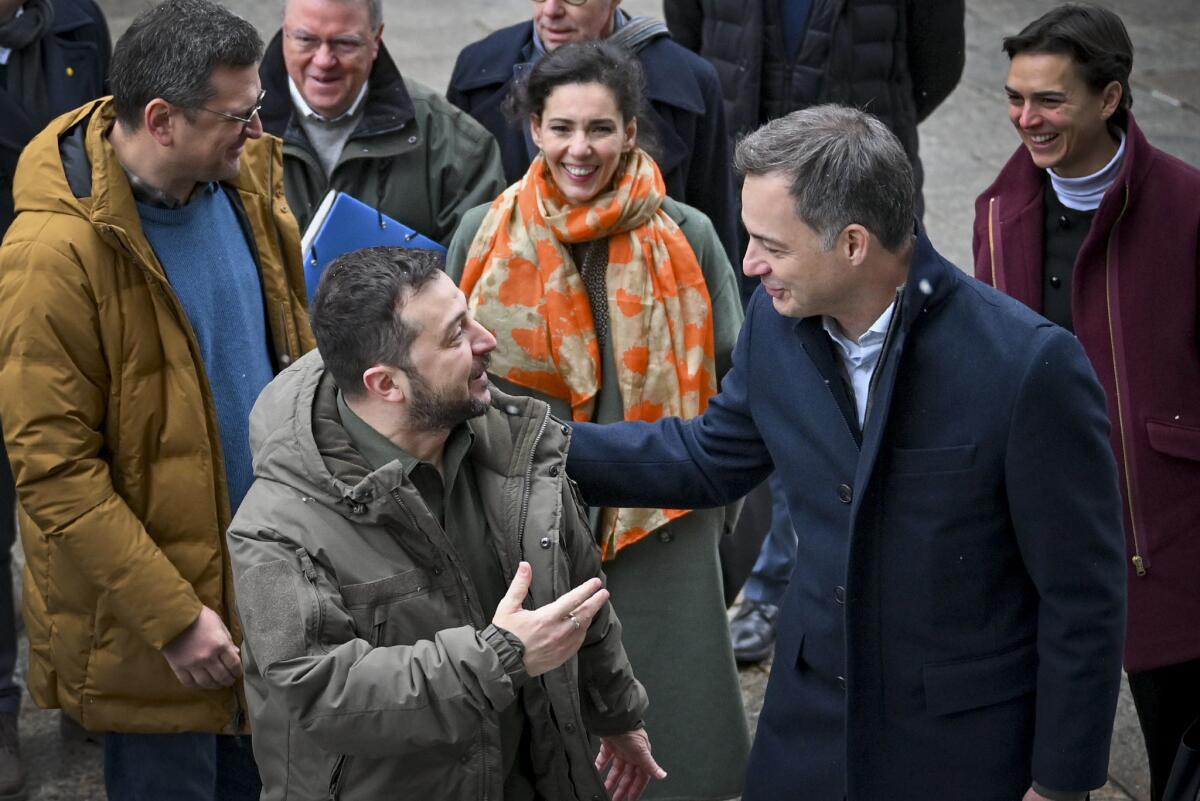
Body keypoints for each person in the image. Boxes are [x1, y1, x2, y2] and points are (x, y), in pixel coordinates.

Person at [564, 103, 1129, 801]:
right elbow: (710, 457)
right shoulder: (777, 324)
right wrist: (536, 442)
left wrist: (1061, 782)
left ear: (854, 243)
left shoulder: (1029, 367)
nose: (749, 262)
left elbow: (1084, 595)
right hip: (807, 736)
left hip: (959, 750)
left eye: (771, 242)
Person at [0, 0, 314, 797]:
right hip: (162, 630)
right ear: (163, 120)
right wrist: (175, 617)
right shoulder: (52, 255)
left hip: (270, 589)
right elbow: (55, 470)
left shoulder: (247, 182)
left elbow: (291, 349)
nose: (258, 131)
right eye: (239, 115)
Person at [227, 246, 663, 801]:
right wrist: (501, 656)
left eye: (469, 316)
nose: (487, 342)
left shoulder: (514, 445)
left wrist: (616, 712)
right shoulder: (275, 530)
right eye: (456, 336)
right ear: (387, 384)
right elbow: (320, 692)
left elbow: (576, 598)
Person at [446, 41, 749, 801]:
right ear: (533, 130)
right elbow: (450, 383)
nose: (580, 149)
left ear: (632, 132)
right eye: (561, 128)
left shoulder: (690, 232)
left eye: (601, 129)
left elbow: (738, 384)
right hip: (521, 528)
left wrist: (719, 518)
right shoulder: (480, 233)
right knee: (540, 741)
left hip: (661, 524)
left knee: (677, 744)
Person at [663, 0, 967, 662]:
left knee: (872, 396)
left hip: (851, 206)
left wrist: (859, 151)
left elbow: (936, 65)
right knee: (768, 389)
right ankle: (774, 578)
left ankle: (810, 580)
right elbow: (691, 42)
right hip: (760, 204)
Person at [973, 6, 1200, 799]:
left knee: (1179, 740)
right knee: (1049, 738)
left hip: (1165, 523)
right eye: (1014, 98)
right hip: (1046, 513)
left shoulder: (1189, 207)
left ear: (1110, 98)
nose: (1025, 120)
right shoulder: (999, 211)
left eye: (1049, 101)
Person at [0, 0, 109, 793]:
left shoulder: (75, 20)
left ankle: (88, 680)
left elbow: (96, 157)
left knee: (73, 504)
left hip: (53, 302)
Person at [446, 0, 739, 269]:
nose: (550, 10)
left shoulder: (690, 81)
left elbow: (717, 230)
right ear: (536, 127)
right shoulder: (477, 72)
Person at [258, 0, 506, 242]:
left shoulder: (456, 147)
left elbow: (477, 270)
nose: (324, 61)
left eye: (345, 43)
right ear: (284, 32)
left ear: (376, 39)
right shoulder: (234, 127)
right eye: (306, 39)